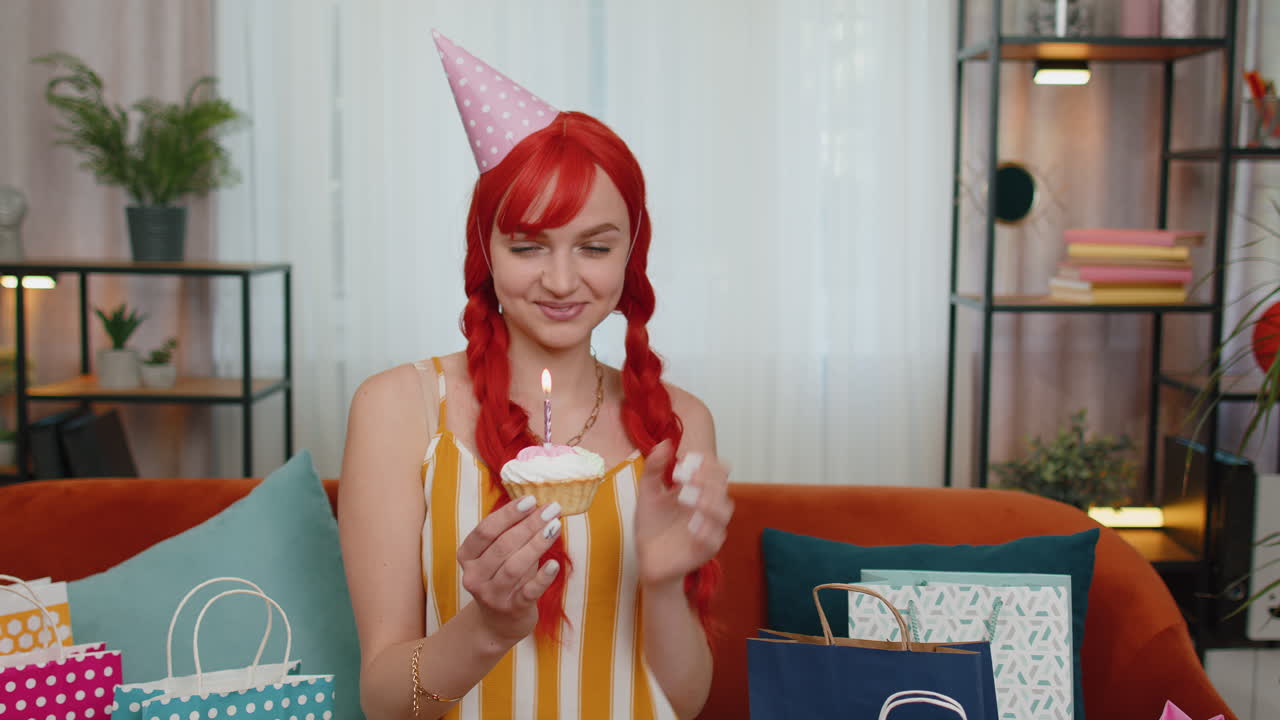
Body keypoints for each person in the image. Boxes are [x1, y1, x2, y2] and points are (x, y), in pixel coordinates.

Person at [338, 31, 734, 720]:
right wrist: (485, 628)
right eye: (528, 245)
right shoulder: (397, 409)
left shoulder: (679, 423)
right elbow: (383, 701)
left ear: (630, 253)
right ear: (485, 249)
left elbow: (684, 703)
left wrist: (665, 584)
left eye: (595, 246)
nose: (560, 280)